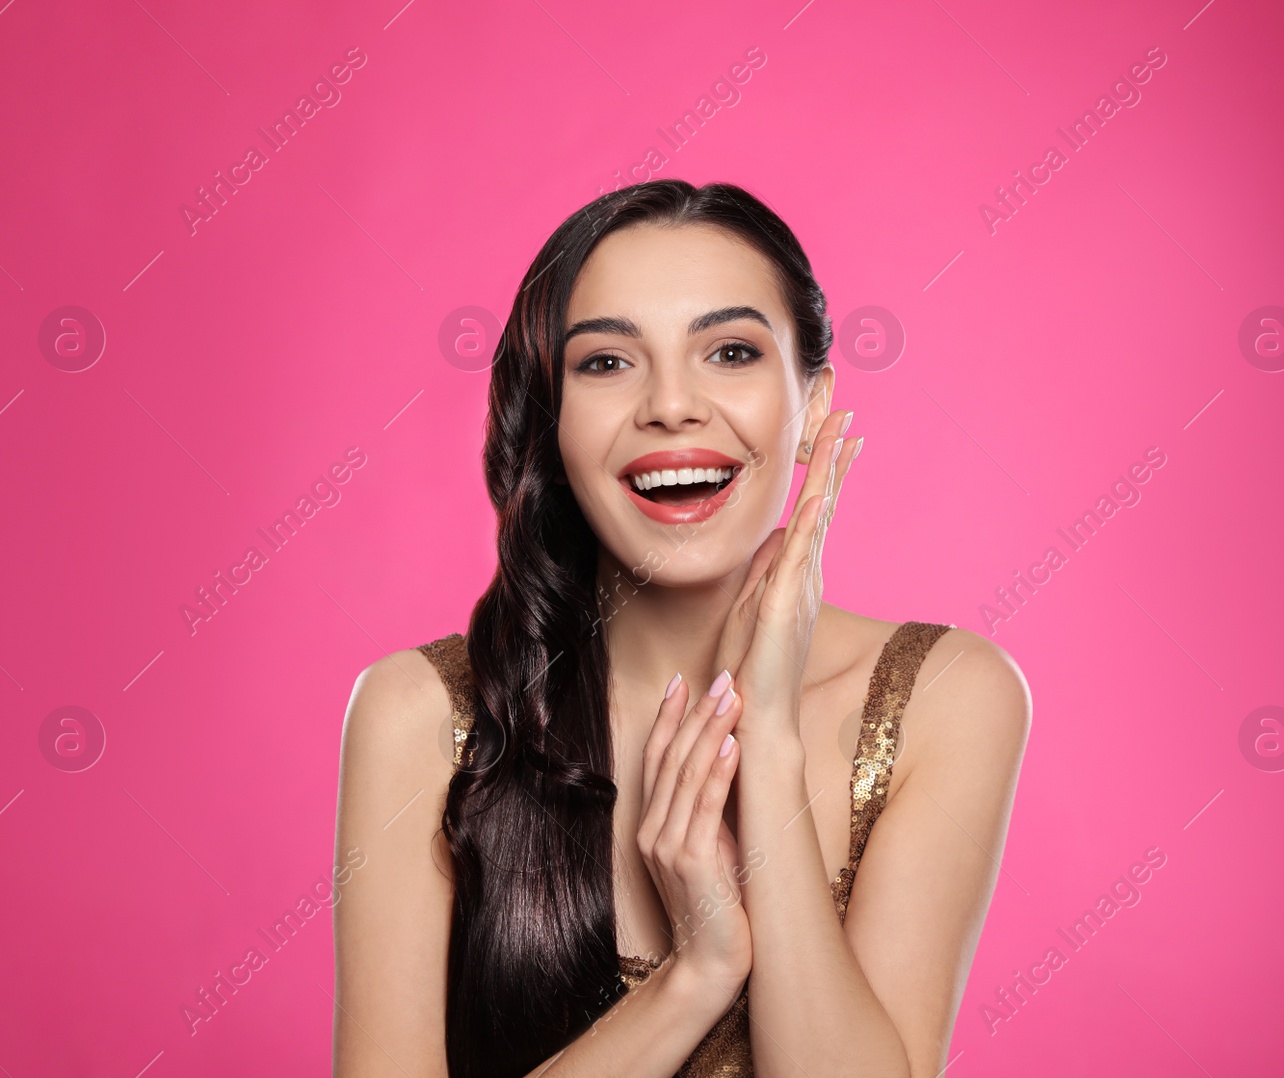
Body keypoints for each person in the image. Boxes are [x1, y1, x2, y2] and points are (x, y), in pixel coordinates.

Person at [331, 180, 1031, 1077]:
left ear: (812, 404)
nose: (671, 405)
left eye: (730, 351)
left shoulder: (945, 697)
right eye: (608, 363)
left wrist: (767, 741)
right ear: (550, 420)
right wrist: (697, 975)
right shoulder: (421, 716)